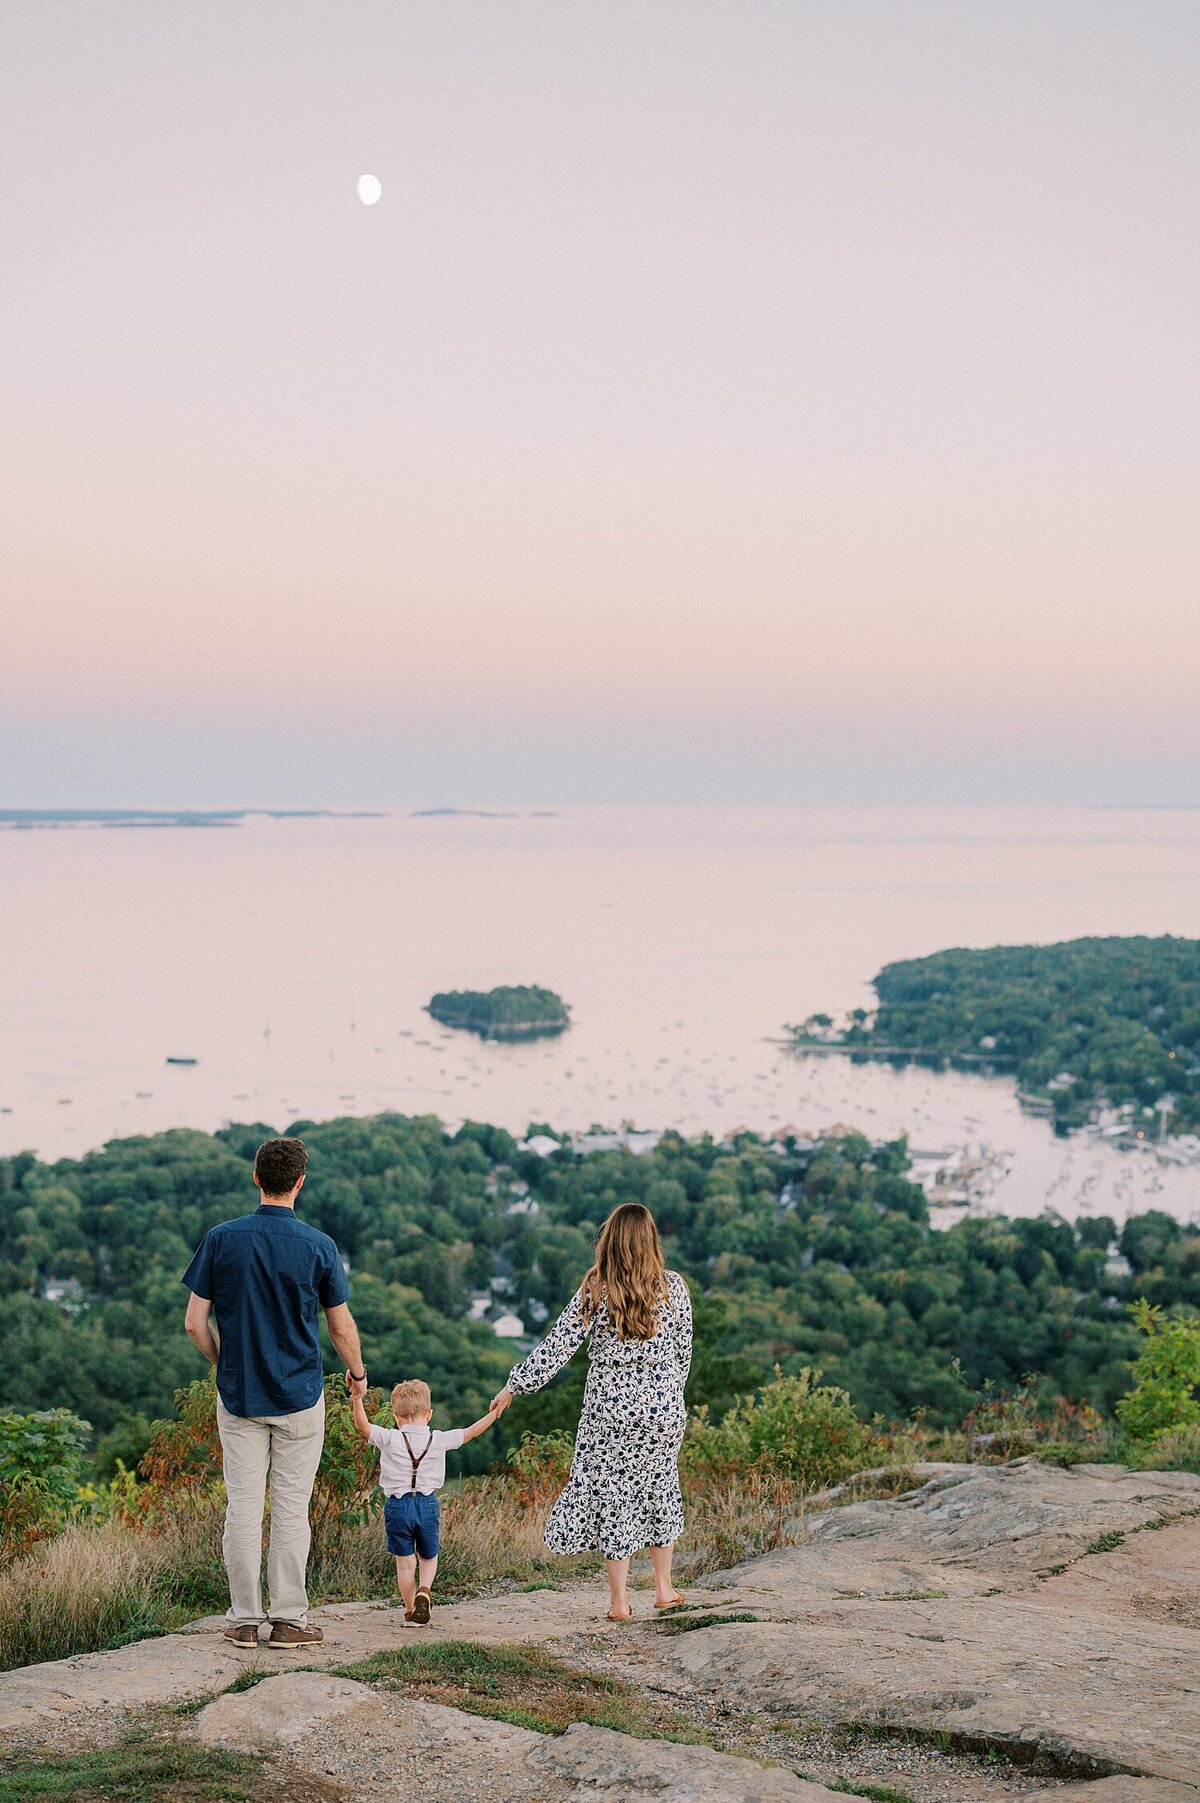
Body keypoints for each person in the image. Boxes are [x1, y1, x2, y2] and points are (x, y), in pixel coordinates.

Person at [182, 1135, 368, 1649]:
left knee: (242, 1507)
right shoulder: (319, 1246)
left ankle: (243, 1619)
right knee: (291, 1508)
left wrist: (227, 1364)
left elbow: (195, 1323)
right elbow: (340, 1327)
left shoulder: (221, 1239)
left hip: (240, 1397)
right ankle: (288, 1620)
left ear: (256, 1177)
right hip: (300, 1397)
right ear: (300, 1183)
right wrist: (357, 1374)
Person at [490, 1202, 692, 1622]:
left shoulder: (595, 1289)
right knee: (660, 1487)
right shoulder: (674, 1287)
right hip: (663, 1409)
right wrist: (669, 1396)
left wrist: (515, 1385)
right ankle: (663, 1588)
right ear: (651, 1240)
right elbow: (683, 1354)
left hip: (609, 1412)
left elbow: (558, 1347)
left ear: (609, 1242)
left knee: (615, 1498)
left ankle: (619, 1602)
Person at [350, 1377, 500, 1623]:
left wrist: (357, 1399)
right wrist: (494, 1414)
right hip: (427, 1504)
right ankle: (425, 1591)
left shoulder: (390, 1438)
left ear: (396, 1415)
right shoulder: (439, 1439)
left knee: (405, 1564)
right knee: (428, 1556)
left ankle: (410, 1610)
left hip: (398, 1506)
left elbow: (363, 1426)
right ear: (429, 1414)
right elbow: (470, 1433)